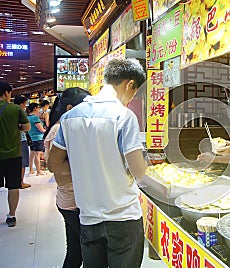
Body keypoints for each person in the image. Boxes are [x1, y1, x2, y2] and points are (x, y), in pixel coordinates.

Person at [48, 58, 148, 268]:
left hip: (88, 217)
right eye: (134, 92)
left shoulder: (69, 117)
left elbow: (54, 165)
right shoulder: (124, 116)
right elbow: (139, 171)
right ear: (130, 84)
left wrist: (88, 166)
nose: (131, 99)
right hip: (123, 217)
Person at [44, 87, 90, 268]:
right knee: (91, 250)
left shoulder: (65, 126)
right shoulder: (60, 130)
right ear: (70, 108)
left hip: (71, 198)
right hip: (73, 199)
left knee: (75, 252)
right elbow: (53, 165)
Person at [0, 82, 31, 227]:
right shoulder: (15, 109)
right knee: (13, 186)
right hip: (13, 154)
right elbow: (26, 127)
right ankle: (11, 216)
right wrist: (15, 127)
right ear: (6, 93)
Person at [13, 95, 31, 188]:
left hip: (12, 140)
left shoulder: (9, 111)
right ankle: (21, 182)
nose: (25, 106)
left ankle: (16, 181)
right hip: (21, 139)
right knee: (23, 162)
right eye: (24, 104)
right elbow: (26, 127)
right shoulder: (19, 112)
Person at [27, 102, 46, 176]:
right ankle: (39, 171)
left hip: (31, 137)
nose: (39, 110)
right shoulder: (35, 118)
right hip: (38, 138)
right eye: (38, 108)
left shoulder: (28, 118)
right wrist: (47, 131)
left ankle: (31, 169)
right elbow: (41, 129)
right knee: (38, 154)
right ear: (35, 108)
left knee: (32, 154)